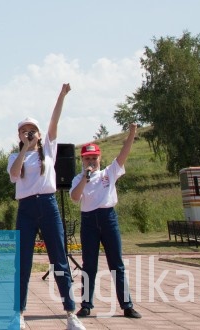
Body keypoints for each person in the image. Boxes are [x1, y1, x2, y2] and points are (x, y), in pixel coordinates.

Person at [7, 84, 85, 330]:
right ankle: (19, 312)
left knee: (59, 259)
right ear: (19, 136)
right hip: (27, 209)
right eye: (23, 131)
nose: (28, 133)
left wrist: (61, 95)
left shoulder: (49, 149)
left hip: (48, 205)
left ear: (40, 134)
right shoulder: (15, 156)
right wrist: (26, 149)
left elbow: (54, 119)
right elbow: (14, 174)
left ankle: (70, 313)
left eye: (32, 131)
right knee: (23, 261)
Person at [70, 124, 142, 319]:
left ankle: (127, 305)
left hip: (108, 218)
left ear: (99, 158)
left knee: (116, 263)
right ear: (82, 160)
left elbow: (123, 155)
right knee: (89, 264)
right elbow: (75, 197)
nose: (91, 161)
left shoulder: (108, 173)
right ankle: (86, 305)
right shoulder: (78, 178)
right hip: (89, 221)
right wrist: (86, 177)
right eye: (87, 158)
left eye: (94, 157)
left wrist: (132, 134)